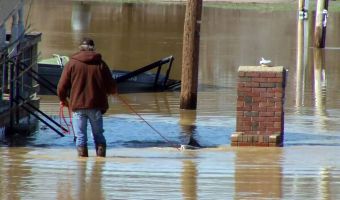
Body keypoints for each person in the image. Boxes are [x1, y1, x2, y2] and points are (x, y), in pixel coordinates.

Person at [57, 38, 117, 157]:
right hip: (96, 106)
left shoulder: (71, 64)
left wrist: (63, 100)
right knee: (98, 135)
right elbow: (111, 86)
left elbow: (61, 87)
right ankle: (100, 166)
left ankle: (81, 167)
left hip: (78, 107)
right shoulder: (101, 64)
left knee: (80, 137)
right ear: (93, 48)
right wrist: (112, 91)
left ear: (80, 48)